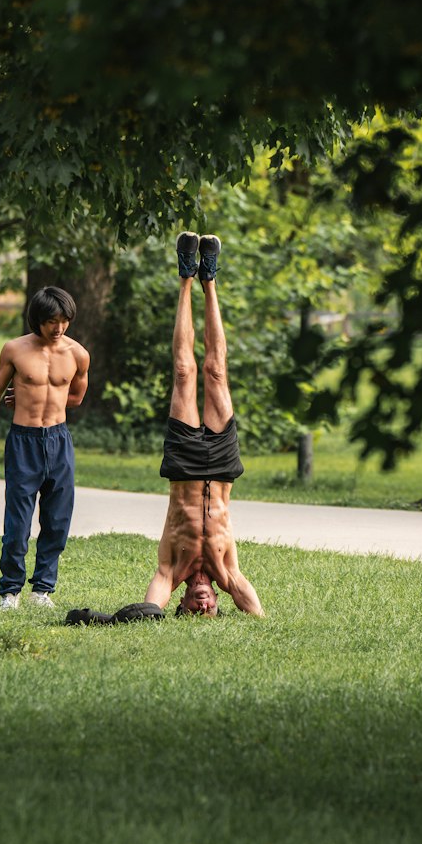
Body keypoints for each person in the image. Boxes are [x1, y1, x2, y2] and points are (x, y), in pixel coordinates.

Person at [143, 233, 264, 617]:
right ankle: (209, 280)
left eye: (194, 611)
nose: (202, 605)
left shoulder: (173, 572)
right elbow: (250, 604)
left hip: (184, 467)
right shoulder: (226, 575)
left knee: (183, 372)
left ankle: (185, 278)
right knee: (215, 371)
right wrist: (259, 622)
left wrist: (146, 615)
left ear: (182, 602)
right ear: (217, 602)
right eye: (209, 610)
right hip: (223, 469)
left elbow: (154, 597)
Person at [0, 285, 90, 611]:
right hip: (23, 441)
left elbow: (75, 397)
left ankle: (42, 590)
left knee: (57, 520)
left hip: (59, 441)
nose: (58, 328)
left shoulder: (78, 354)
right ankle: (10, 592)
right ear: (37, 319)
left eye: (64, 320)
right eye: (51, 321)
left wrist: (43, 399)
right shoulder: (15, 350)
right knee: (17, 522)